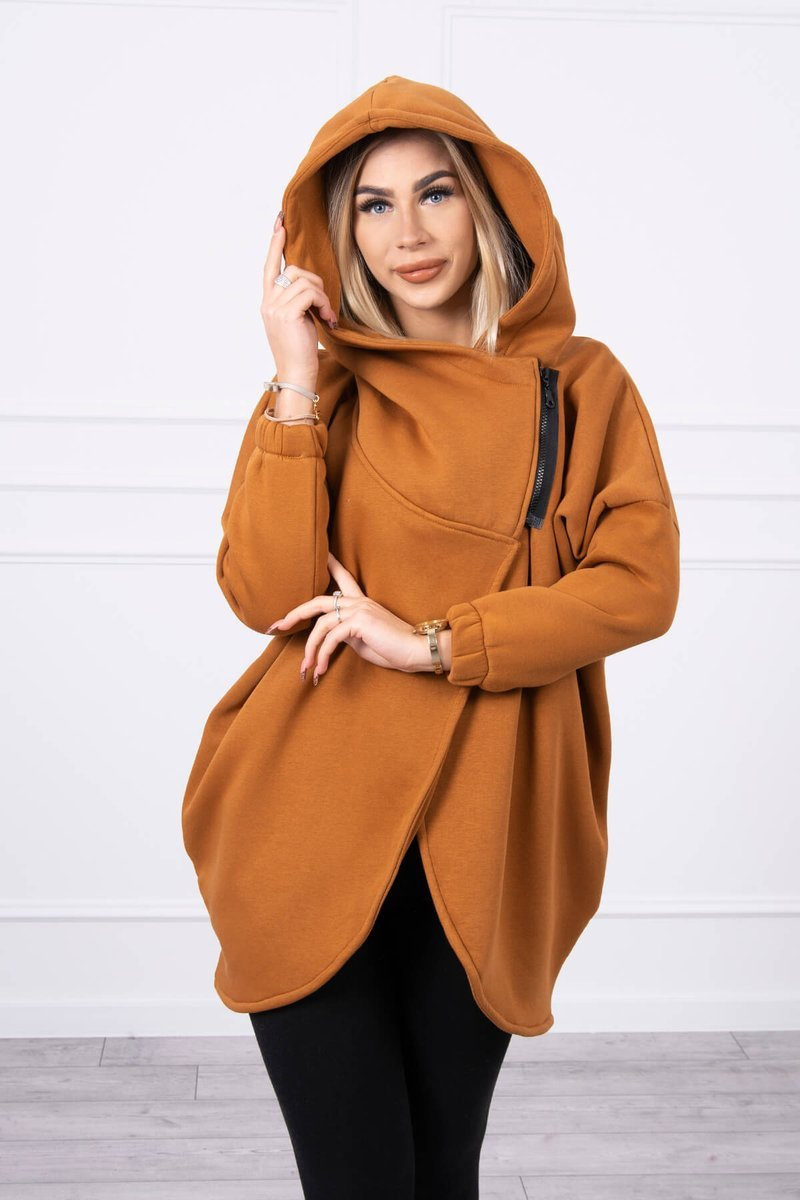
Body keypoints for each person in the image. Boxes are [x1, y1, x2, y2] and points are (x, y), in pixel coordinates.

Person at [181, 75, 681, 1198]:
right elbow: (265, 590)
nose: (406, 232)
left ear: (489, 206)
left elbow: (640, 586)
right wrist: (295, 379)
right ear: (337, 232)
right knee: (356, 1178)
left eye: (436, 193)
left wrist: (436, 643)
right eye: (373, 203)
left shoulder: (582, 386)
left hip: (487, 836)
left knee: (442, 1172)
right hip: (303, 824)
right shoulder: (321, 390)